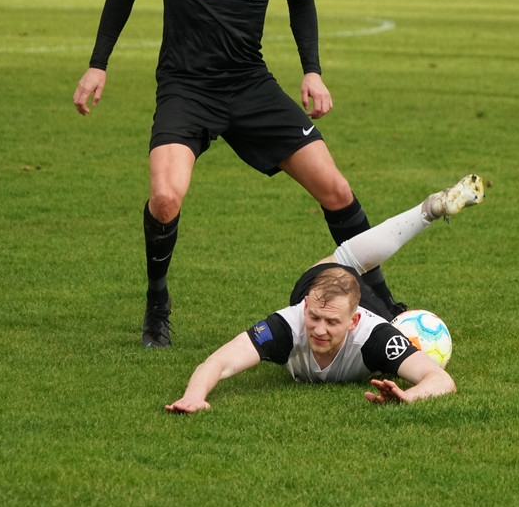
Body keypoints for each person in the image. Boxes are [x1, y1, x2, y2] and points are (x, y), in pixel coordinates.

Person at [73, 0, 404, 349]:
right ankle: (157, 302)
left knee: (337, 190)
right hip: (187, 88)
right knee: (165, 199)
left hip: (251, 85)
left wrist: (312, 70)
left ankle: (386, 303)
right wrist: (98, 63)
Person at [165, 174, 484, 413]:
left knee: (369, 291)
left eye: (331, 322)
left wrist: (407, 395)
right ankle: (428, 210)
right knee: (341, 260)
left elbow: (441, 380)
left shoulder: (376, 336)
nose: (318, 329)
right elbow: (219, 361)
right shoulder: (287, 325)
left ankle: (426, 215)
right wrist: (193, 397)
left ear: (353, 321)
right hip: (314, 280)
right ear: (305, 307)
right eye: (314, 317)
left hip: (362, 304)